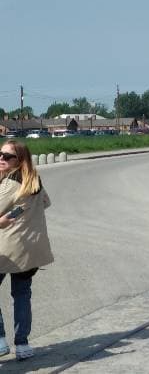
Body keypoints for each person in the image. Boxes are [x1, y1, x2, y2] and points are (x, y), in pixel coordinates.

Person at [0, 140, 53, 362]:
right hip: (30, 248)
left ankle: (1, 340)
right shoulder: (34, 179)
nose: (1, 159)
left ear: (19, 160)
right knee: (22, 295)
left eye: (7, 156)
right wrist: (18, 212)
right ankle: (22, 344)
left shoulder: (10, 184)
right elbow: (46, 202)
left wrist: (10, 215)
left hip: (8, 248)